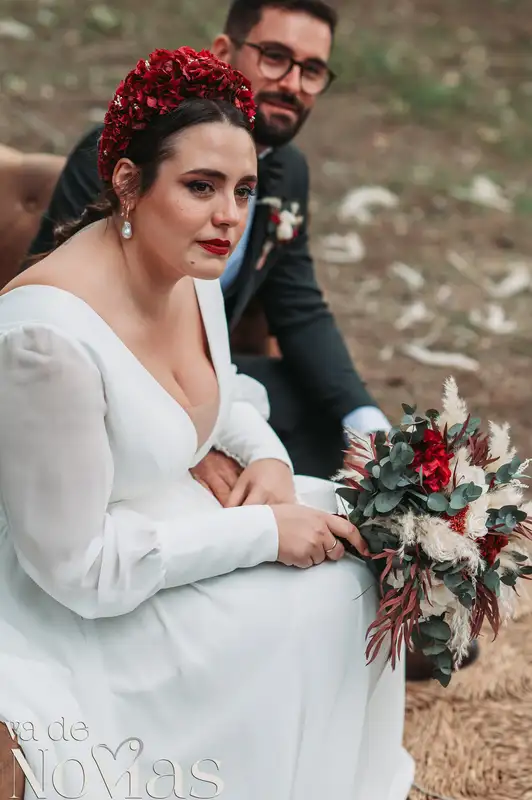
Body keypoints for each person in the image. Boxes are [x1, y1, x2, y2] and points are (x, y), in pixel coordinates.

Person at [0, 48, 414, 799]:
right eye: (201, 187)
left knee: (360, 549)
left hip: (176, 530)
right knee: (332, 598)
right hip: (88, 604)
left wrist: (272, 461)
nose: (230, 216)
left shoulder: (186, 273)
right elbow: (73, 571)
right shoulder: (44, 339)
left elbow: (225, 397)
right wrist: (261, 534)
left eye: (244, 189)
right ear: (128, 183)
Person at [24, 0, 392, 487]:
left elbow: (299, 305)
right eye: (276, 57)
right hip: (113, 390)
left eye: (313, 70)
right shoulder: (124, 155)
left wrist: (372, 427)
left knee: (333, 417)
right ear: (224, 50)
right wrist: (185, 443)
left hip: (215, 375)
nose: (293, 84)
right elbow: (68, 308)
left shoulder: (288, 171)